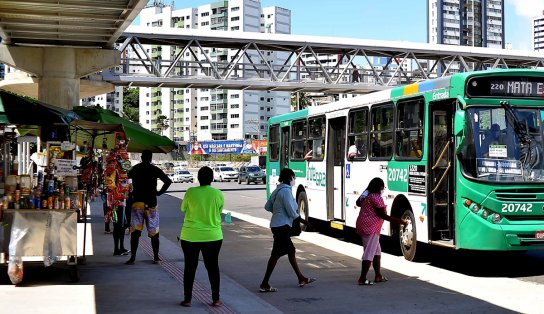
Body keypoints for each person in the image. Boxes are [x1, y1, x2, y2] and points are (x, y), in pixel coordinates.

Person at [259, 168, 316, 292]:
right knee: (279, 254)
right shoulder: (286, 191)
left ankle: (301, 278)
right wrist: (306, 222)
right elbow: (292, 211)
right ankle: (265, 283)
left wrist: (278, 211)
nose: (294, 180)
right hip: (282, 226)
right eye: (294, 177)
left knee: (288, 251)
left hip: (276, 225)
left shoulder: (277, 190)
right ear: (290, 177)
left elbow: (267, 206)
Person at [179, 166, 225, 307]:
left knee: (190, 267)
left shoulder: (190, 192)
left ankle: (187, 299)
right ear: (212, 178)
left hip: (190, 236)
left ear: (198, 178)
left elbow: (183, 209)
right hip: (213, 235)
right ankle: (216, 299)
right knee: (212, 267)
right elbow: (219, 210)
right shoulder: (218, 194)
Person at [356, 177, 407, 285]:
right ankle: (362, 278)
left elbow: (358, 202)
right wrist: (400, 221)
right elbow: (382, 215)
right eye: (382, 187)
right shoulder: (376, 197)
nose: (383, 189)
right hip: (371, 228)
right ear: (379, 187)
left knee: (376, 251)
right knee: (369, 252)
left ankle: (378, 275)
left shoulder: (367, 195)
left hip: (364, 225)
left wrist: (366, 191)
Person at [125, 150, 172, 265]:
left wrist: (131, 192)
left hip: (137, 204)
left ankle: (133, 258)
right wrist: (159, 193)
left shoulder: (135, 169)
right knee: (154, 232)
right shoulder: (154, 169)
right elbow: (168, 181)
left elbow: (125, 179)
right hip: (151, 204)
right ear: (151, 158)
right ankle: (156, 257)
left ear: (141, 157)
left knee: (135, 232)